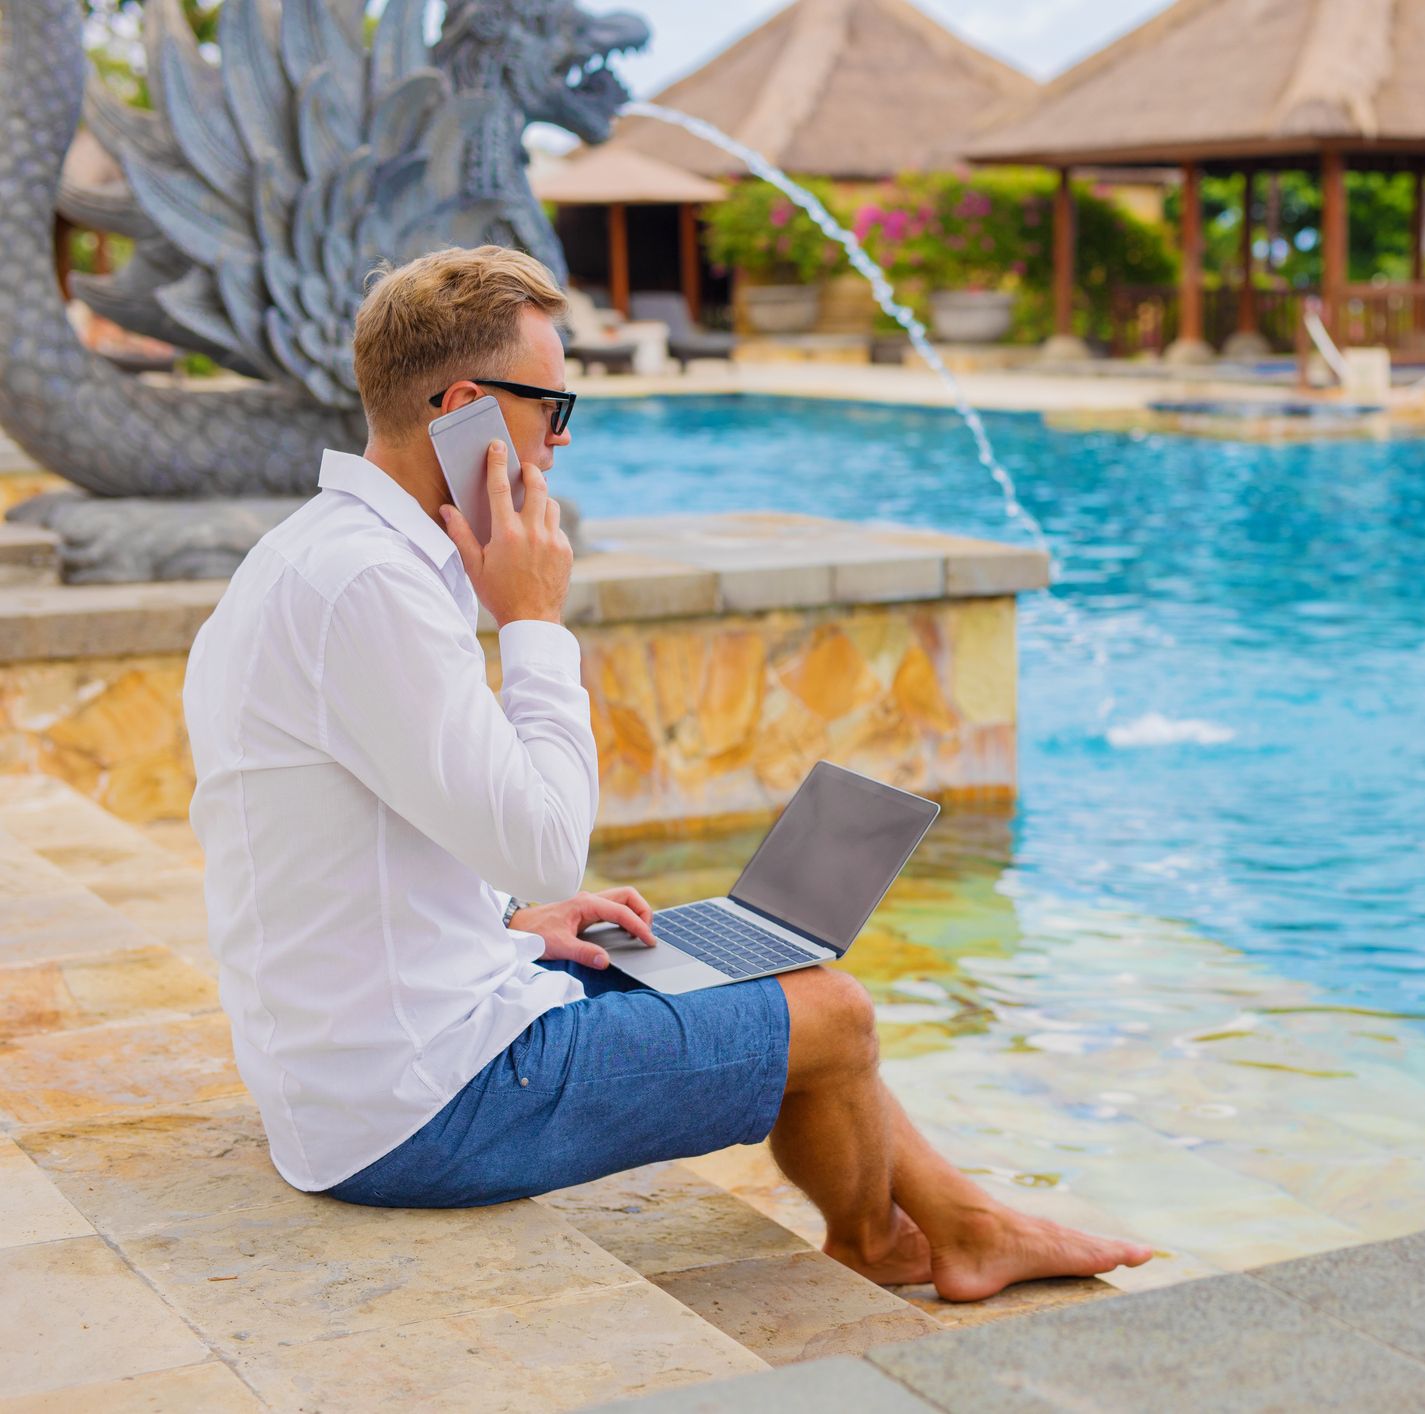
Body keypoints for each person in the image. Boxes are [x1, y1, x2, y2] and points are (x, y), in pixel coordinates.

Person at [182, 245, 1150, 1301]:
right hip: (419, 1107)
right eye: (552, 407)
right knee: (834, 1015)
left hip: (354, 1068)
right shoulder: (373, 587)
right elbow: (549, 839)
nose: (557, 442)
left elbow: (343, 845)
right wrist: (535, 621)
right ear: (461, 406)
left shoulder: (310, 555)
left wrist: (510, 924)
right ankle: (887, 1243)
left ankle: (967, 1222)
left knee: (753, 968)